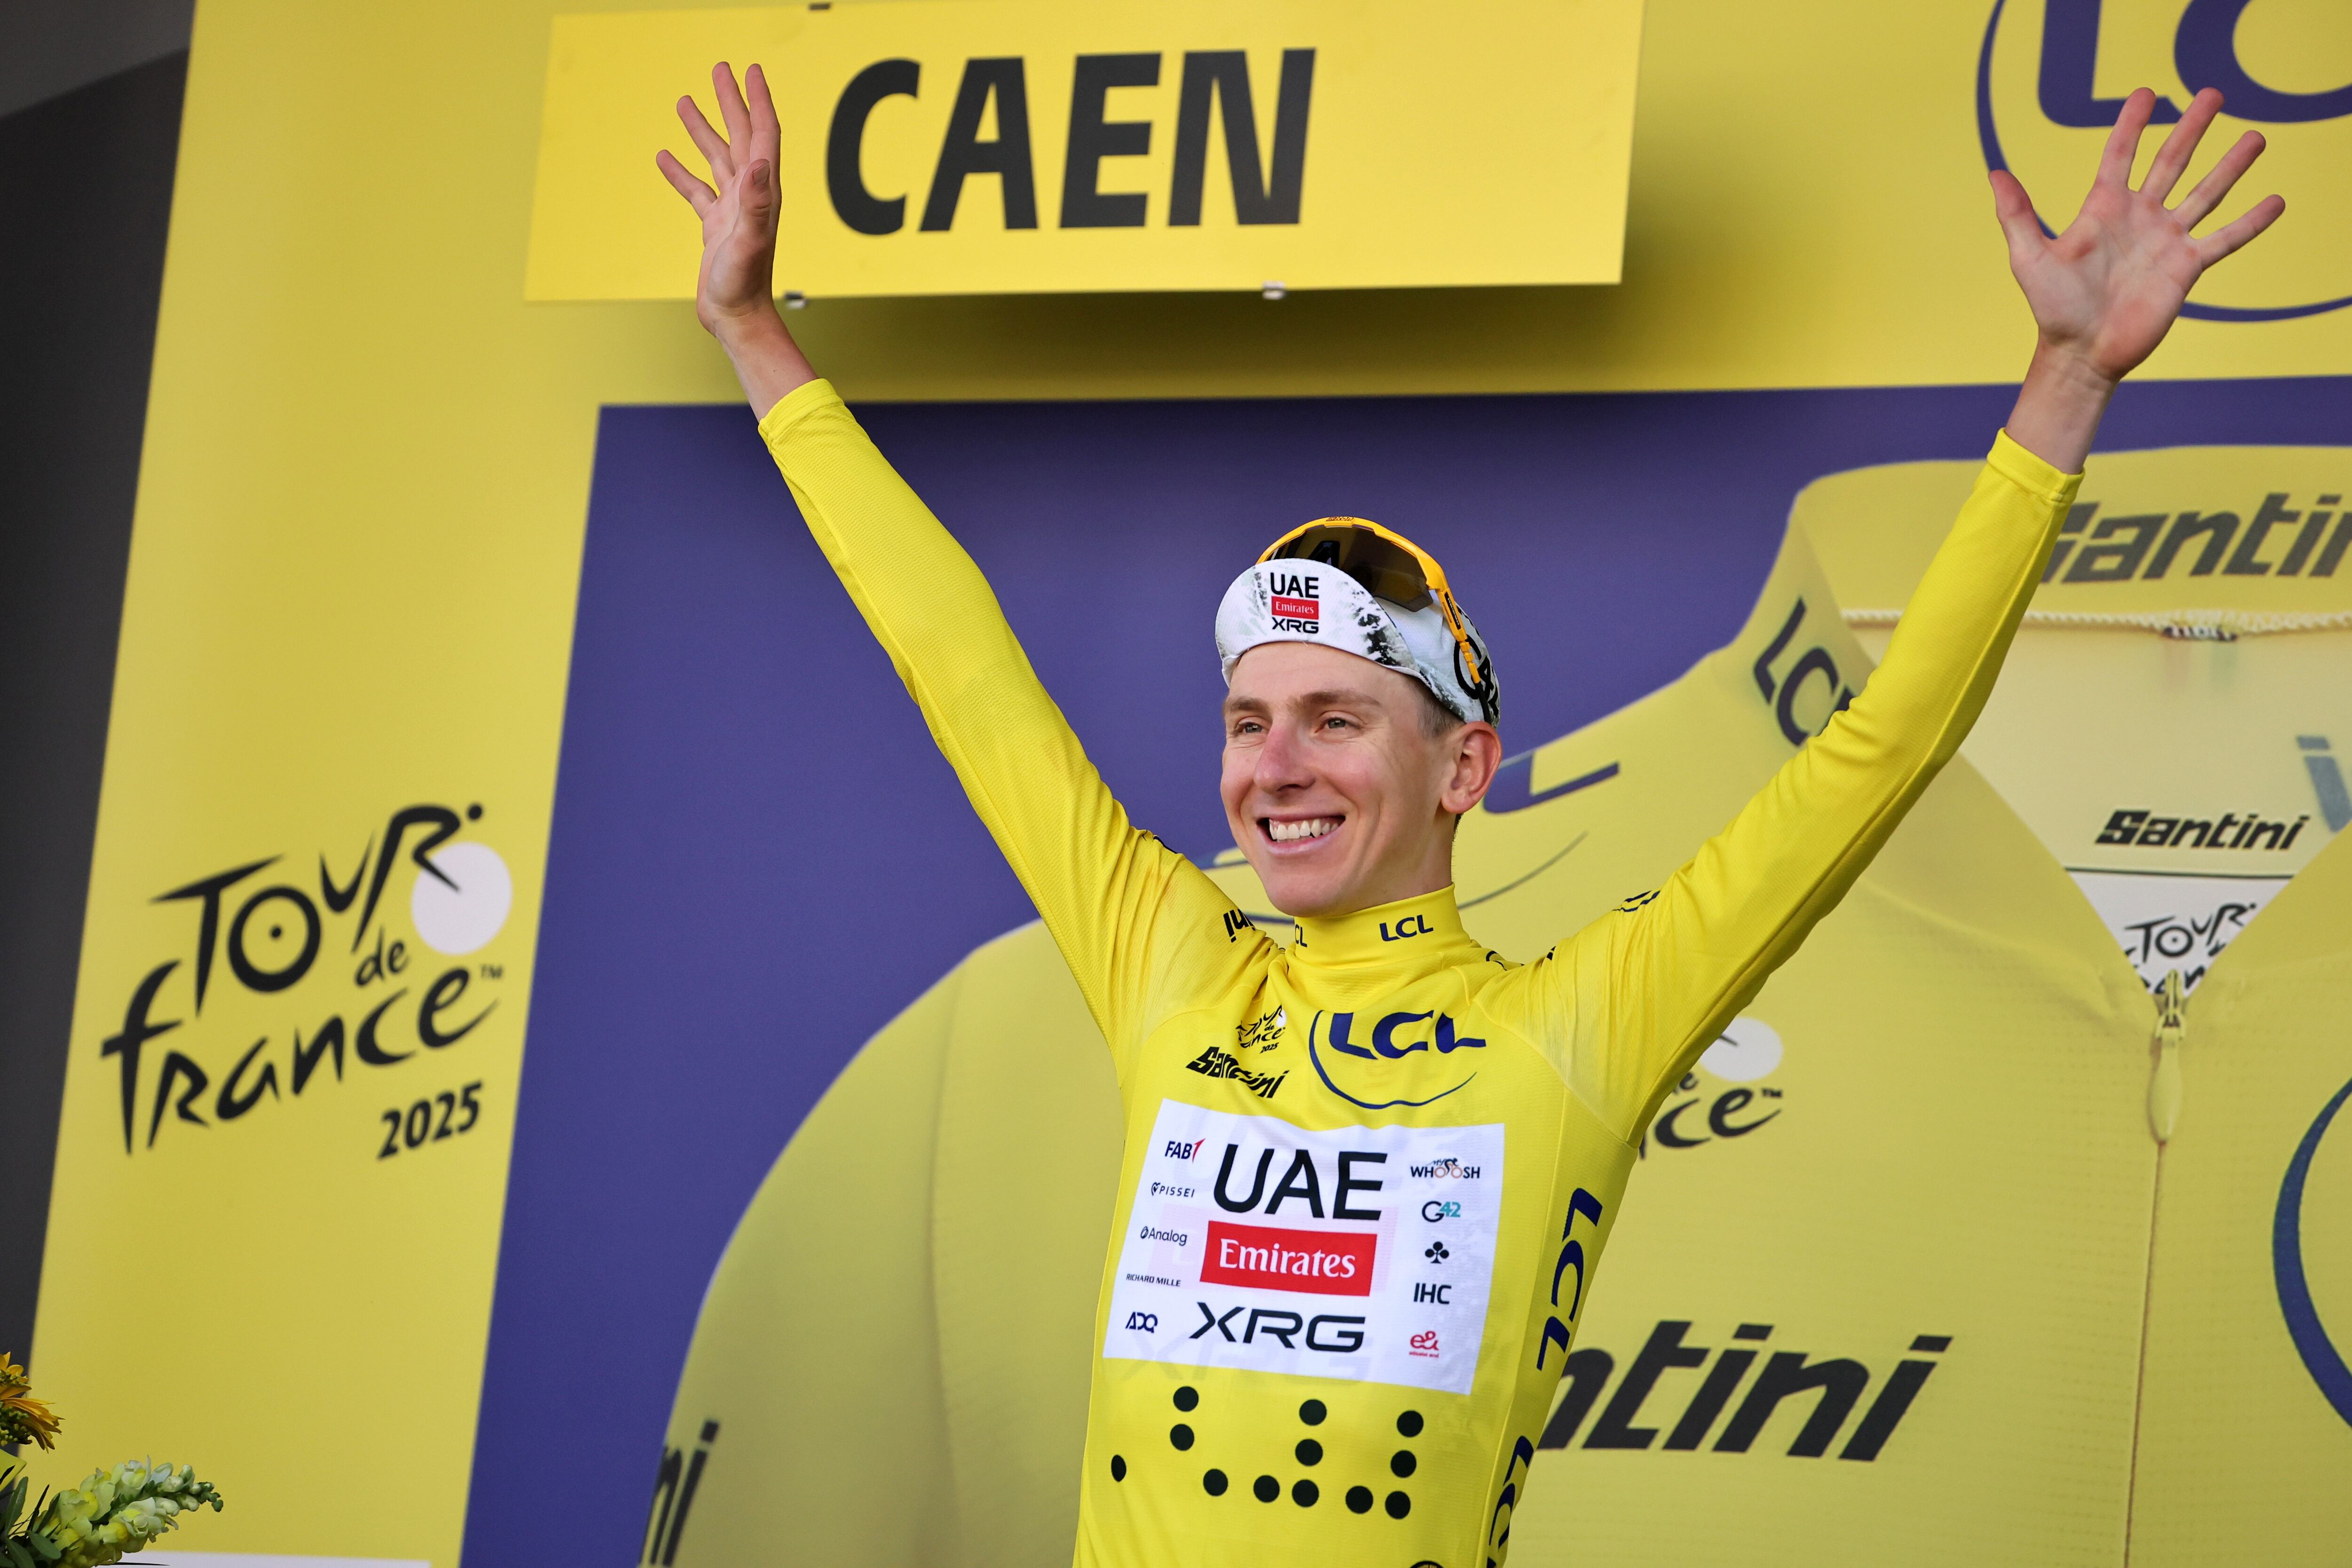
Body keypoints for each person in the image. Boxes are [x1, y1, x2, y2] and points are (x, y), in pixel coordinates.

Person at [655, 67, 2278, 1568]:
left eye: (1336, 720)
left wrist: (2067, 379)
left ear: (1463, 768)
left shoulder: (1577, 1029)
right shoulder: (1174, 966)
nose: (1275, 768)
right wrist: (754, 337)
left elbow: (1879, 747)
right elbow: (960, 667)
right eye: (1246, 724)